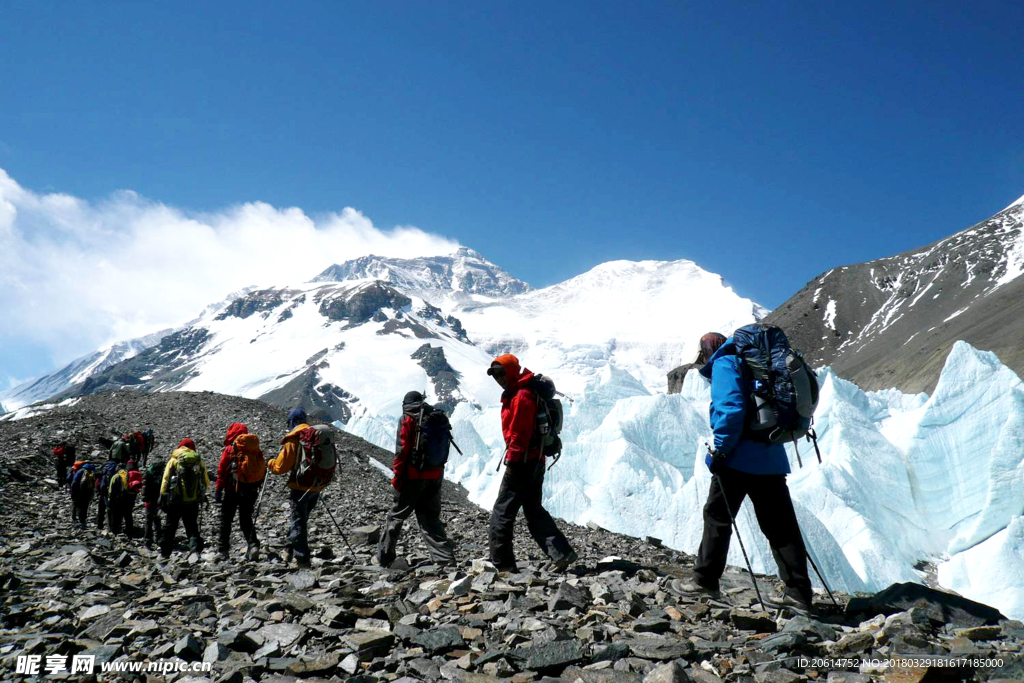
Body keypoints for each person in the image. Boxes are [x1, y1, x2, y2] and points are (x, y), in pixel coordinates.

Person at [681, 336, 814, 609]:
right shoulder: (756, 363)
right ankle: (799, 592)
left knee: (718, 517)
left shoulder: (725, 363)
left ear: (706, 353)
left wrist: (721, 451)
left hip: (737, 459)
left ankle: (704, 581)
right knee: (780, 526)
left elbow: (731, 410)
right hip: (772, 458)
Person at [486, 354, 577, 573]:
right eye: (495, 375)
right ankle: (562, 553)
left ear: (511, 371)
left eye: (501, 373)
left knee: (502, 512)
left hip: (522, 463)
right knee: (533, 509)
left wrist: (513, 459)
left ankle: (503, 564)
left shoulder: (521, 396)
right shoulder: (521, 392)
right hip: (535, 461)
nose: (499, 378)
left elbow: (520, 432)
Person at [377, 391, 457, 569]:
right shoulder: (435, 416)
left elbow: (402, 450)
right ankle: (445, 560)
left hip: (414, 476)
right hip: (435, 474)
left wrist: (398, 476)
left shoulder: (408, 418)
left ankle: (385, 556)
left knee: (396, 516)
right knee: (430, 518)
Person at [266, 407, 326, 568]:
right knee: (301, 519)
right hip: (317, 485)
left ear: (292, 422)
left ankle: (302, 560)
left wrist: (270, 462)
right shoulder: (315, 435)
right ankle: (288, 549)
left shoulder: (294, 438)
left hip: (300, 486)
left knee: (298, 522)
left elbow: (280, 468)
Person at [215, 423, 266, 561]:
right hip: (251, 490)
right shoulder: (254, 448)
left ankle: (223, 550)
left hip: (232, 490)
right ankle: (253, 544)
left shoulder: (230, 449)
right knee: (246, 519)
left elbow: (221, 471)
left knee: (226, 520)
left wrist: (218, 489)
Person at [159, 438, 210, 559]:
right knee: (192, 526)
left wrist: (162, 496)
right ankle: (195, 551)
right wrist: (200, 494)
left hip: (175, 500)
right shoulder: (198, 461)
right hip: (192, 501)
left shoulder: (174, 460)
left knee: (170, 526)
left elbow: (165, 479)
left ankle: (165, 553)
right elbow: (206, 481)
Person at [108, 460, 142, 537]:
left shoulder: (116, 476)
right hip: (130, 499)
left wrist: (110, 500)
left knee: (116, 515)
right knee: (128, 515)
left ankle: (115, 531)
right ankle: (129, 531)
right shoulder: (130, 475)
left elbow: (111, 490)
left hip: (119, 499)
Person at [143, 453, 166, 548]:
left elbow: (145, 486)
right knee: (157, 519)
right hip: (159, 499)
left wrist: (145, 498)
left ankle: (148, 541)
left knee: (148, 520)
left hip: (149, 500)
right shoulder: (163, 472)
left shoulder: (148, 472)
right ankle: (158, 539)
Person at [69, 463, 97, 529]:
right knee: (85, 506)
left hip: (80, 492)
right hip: (88, 492)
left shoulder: (80, 471)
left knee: (79, 506)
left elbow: (74, 482)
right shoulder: (92, 472)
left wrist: (73, 492)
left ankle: (79, 520)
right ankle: (83, 520)